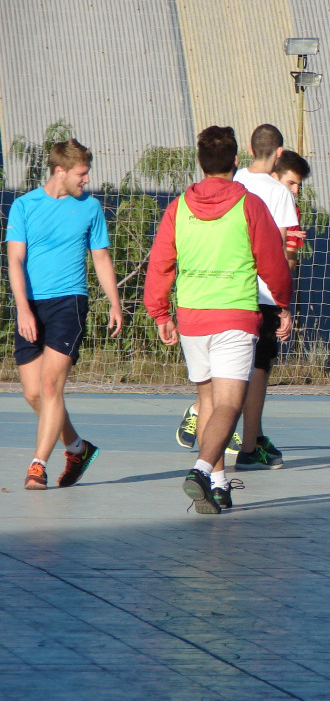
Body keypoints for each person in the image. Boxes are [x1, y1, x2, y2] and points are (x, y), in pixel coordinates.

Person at [144, 125, 293, 513]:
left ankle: (219, 483)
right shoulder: (249, 205)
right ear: (235, 162)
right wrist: (283, 302)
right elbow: (273, 262)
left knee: (208, 401)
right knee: (230, 402)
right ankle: (199, 469)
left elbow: (160, 263)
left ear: (199, 163)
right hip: (235, 315)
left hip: (192, 317)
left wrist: (160, 312)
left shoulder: (178, 207)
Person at [174, 126, 300, 470]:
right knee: (255, 372)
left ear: (245, 151)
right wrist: (284, 302)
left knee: (213, 385)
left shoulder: (232, 182)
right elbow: (281, 250)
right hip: (250, 296)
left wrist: (159, 311)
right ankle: (248, 445)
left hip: (200, 299)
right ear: (279, 153)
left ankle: (204, 421)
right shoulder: (271, 195)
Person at [6, 139, 124, 490]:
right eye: (81, 174)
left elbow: (101, 258)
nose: (86, 180)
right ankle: (77, 448)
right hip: (32, 304)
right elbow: (15, 260)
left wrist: (115, 302)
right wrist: (23, 308)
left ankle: (37, 465)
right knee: (33, 394)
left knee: (50, 385)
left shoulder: (90, 208)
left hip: (69, 303)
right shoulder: (24, 206)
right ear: (60, 171)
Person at [271, 150, 312, 273]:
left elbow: (291, 256)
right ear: (274, 177)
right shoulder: (249, 197)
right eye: (291, 183)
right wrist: (284, 233)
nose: (295, 190)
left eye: (298, 185)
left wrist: (277, 277)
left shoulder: (292, 209)